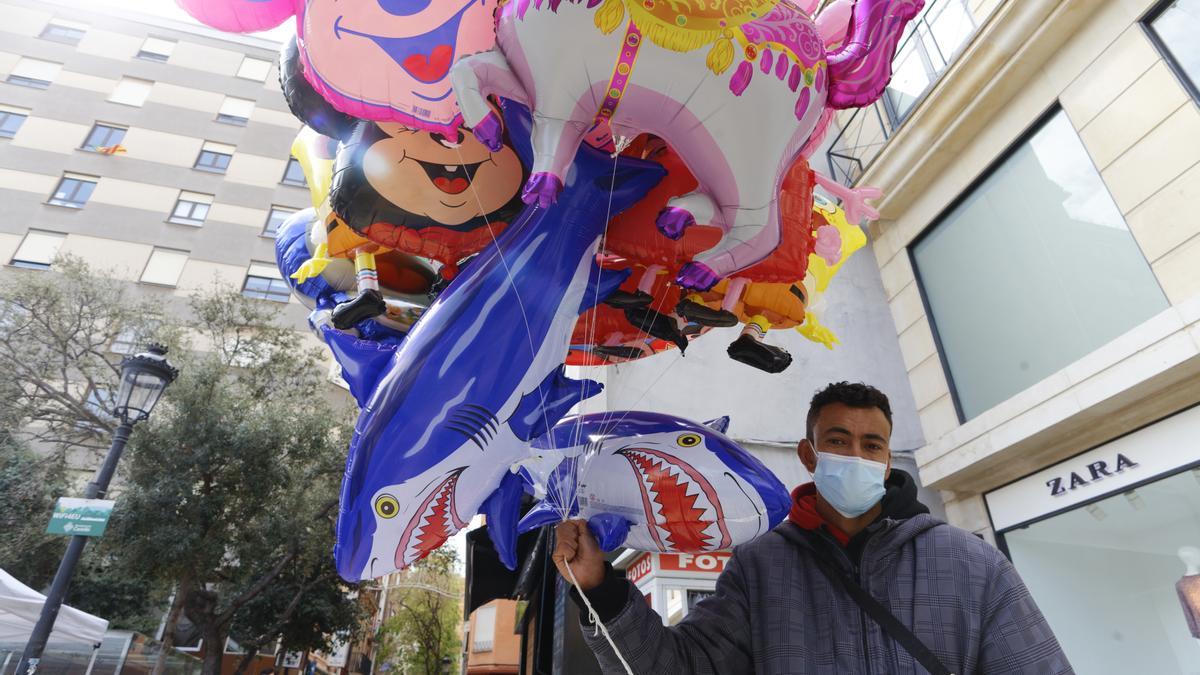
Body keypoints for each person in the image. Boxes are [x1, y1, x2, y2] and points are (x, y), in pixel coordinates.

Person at [553, 381, 1073, 674]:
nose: (856, 454)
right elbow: (679, 668)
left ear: (889, 460)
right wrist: (601, 589)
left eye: (872, 445)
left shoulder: (970, 562)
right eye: (839, 440)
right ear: (808, 453)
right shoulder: (759, 568)